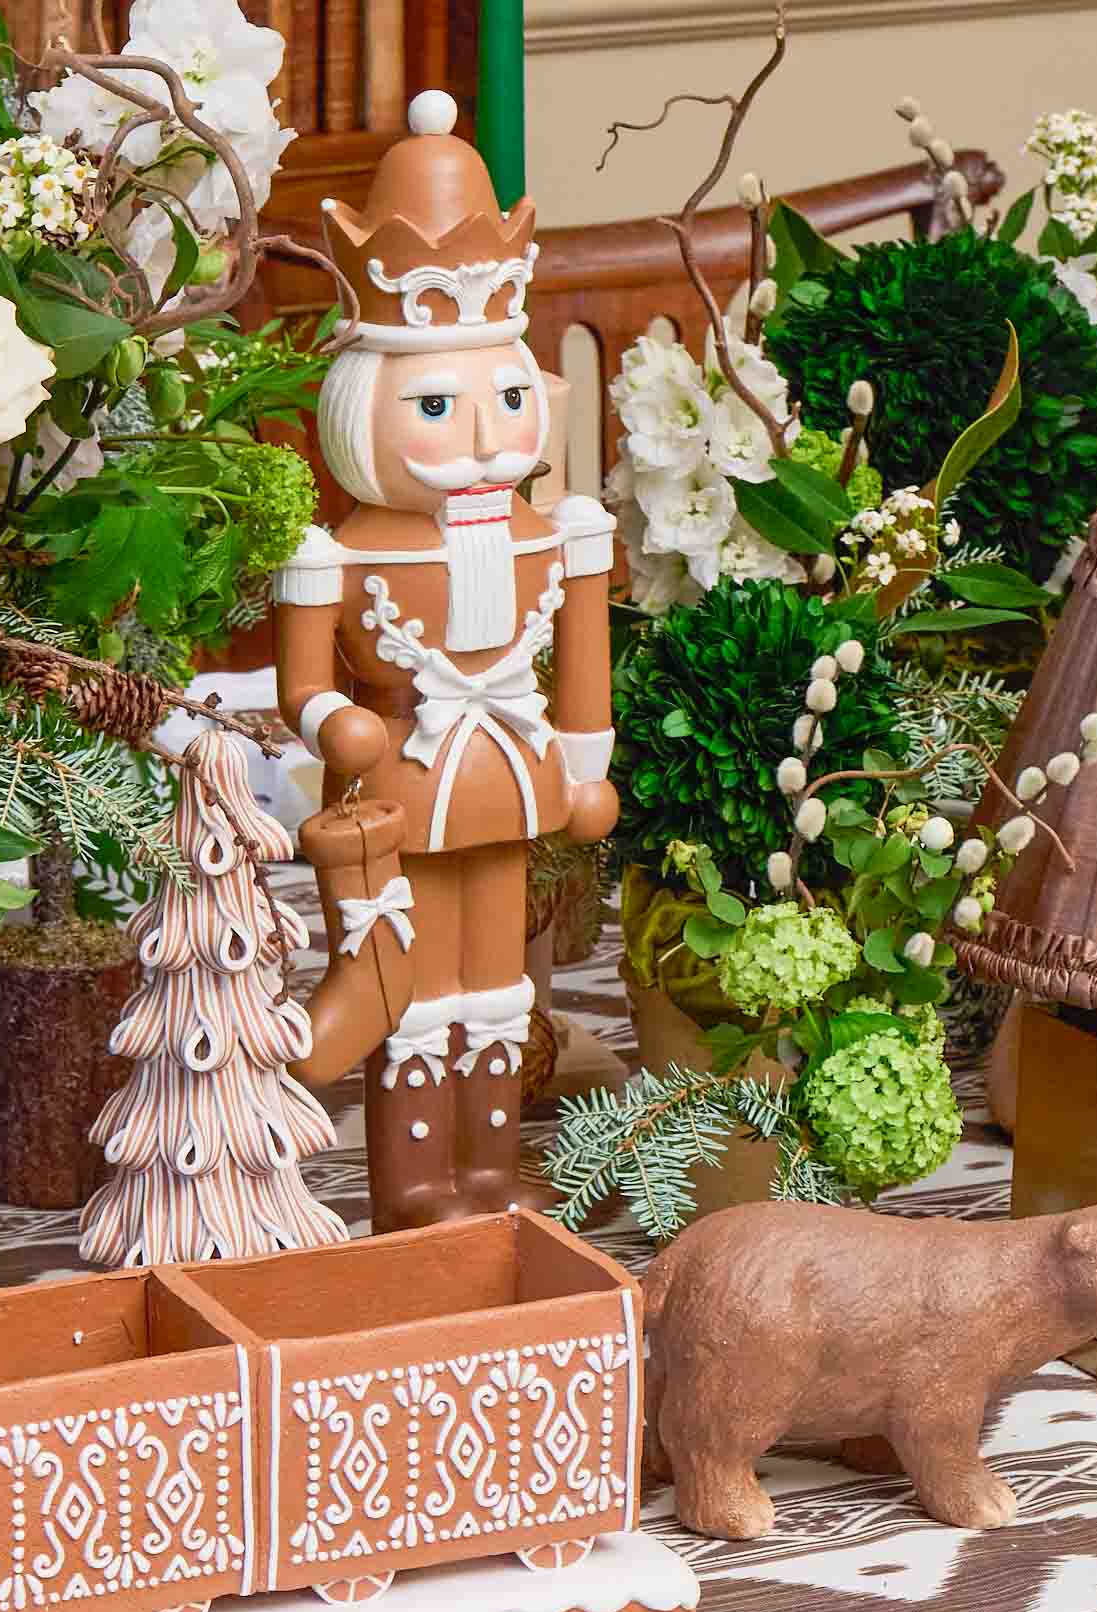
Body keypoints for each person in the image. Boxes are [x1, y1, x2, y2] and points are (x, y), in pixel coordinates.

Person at [272, 93, 620, 1232]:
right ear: (360, 406)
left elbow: (583, 654)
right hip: (404, 786)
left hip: (510, 778)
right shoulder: (335, 554)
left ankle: (487, 1171)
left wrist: (586, 765)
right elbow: (303, 685)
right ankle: (415, 1186)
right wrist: (334, 724)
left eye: (509, 399)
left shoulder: (553, 534)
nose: (482, 436)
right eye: (435, 405)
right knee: (413, 984)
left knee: (498, 979)